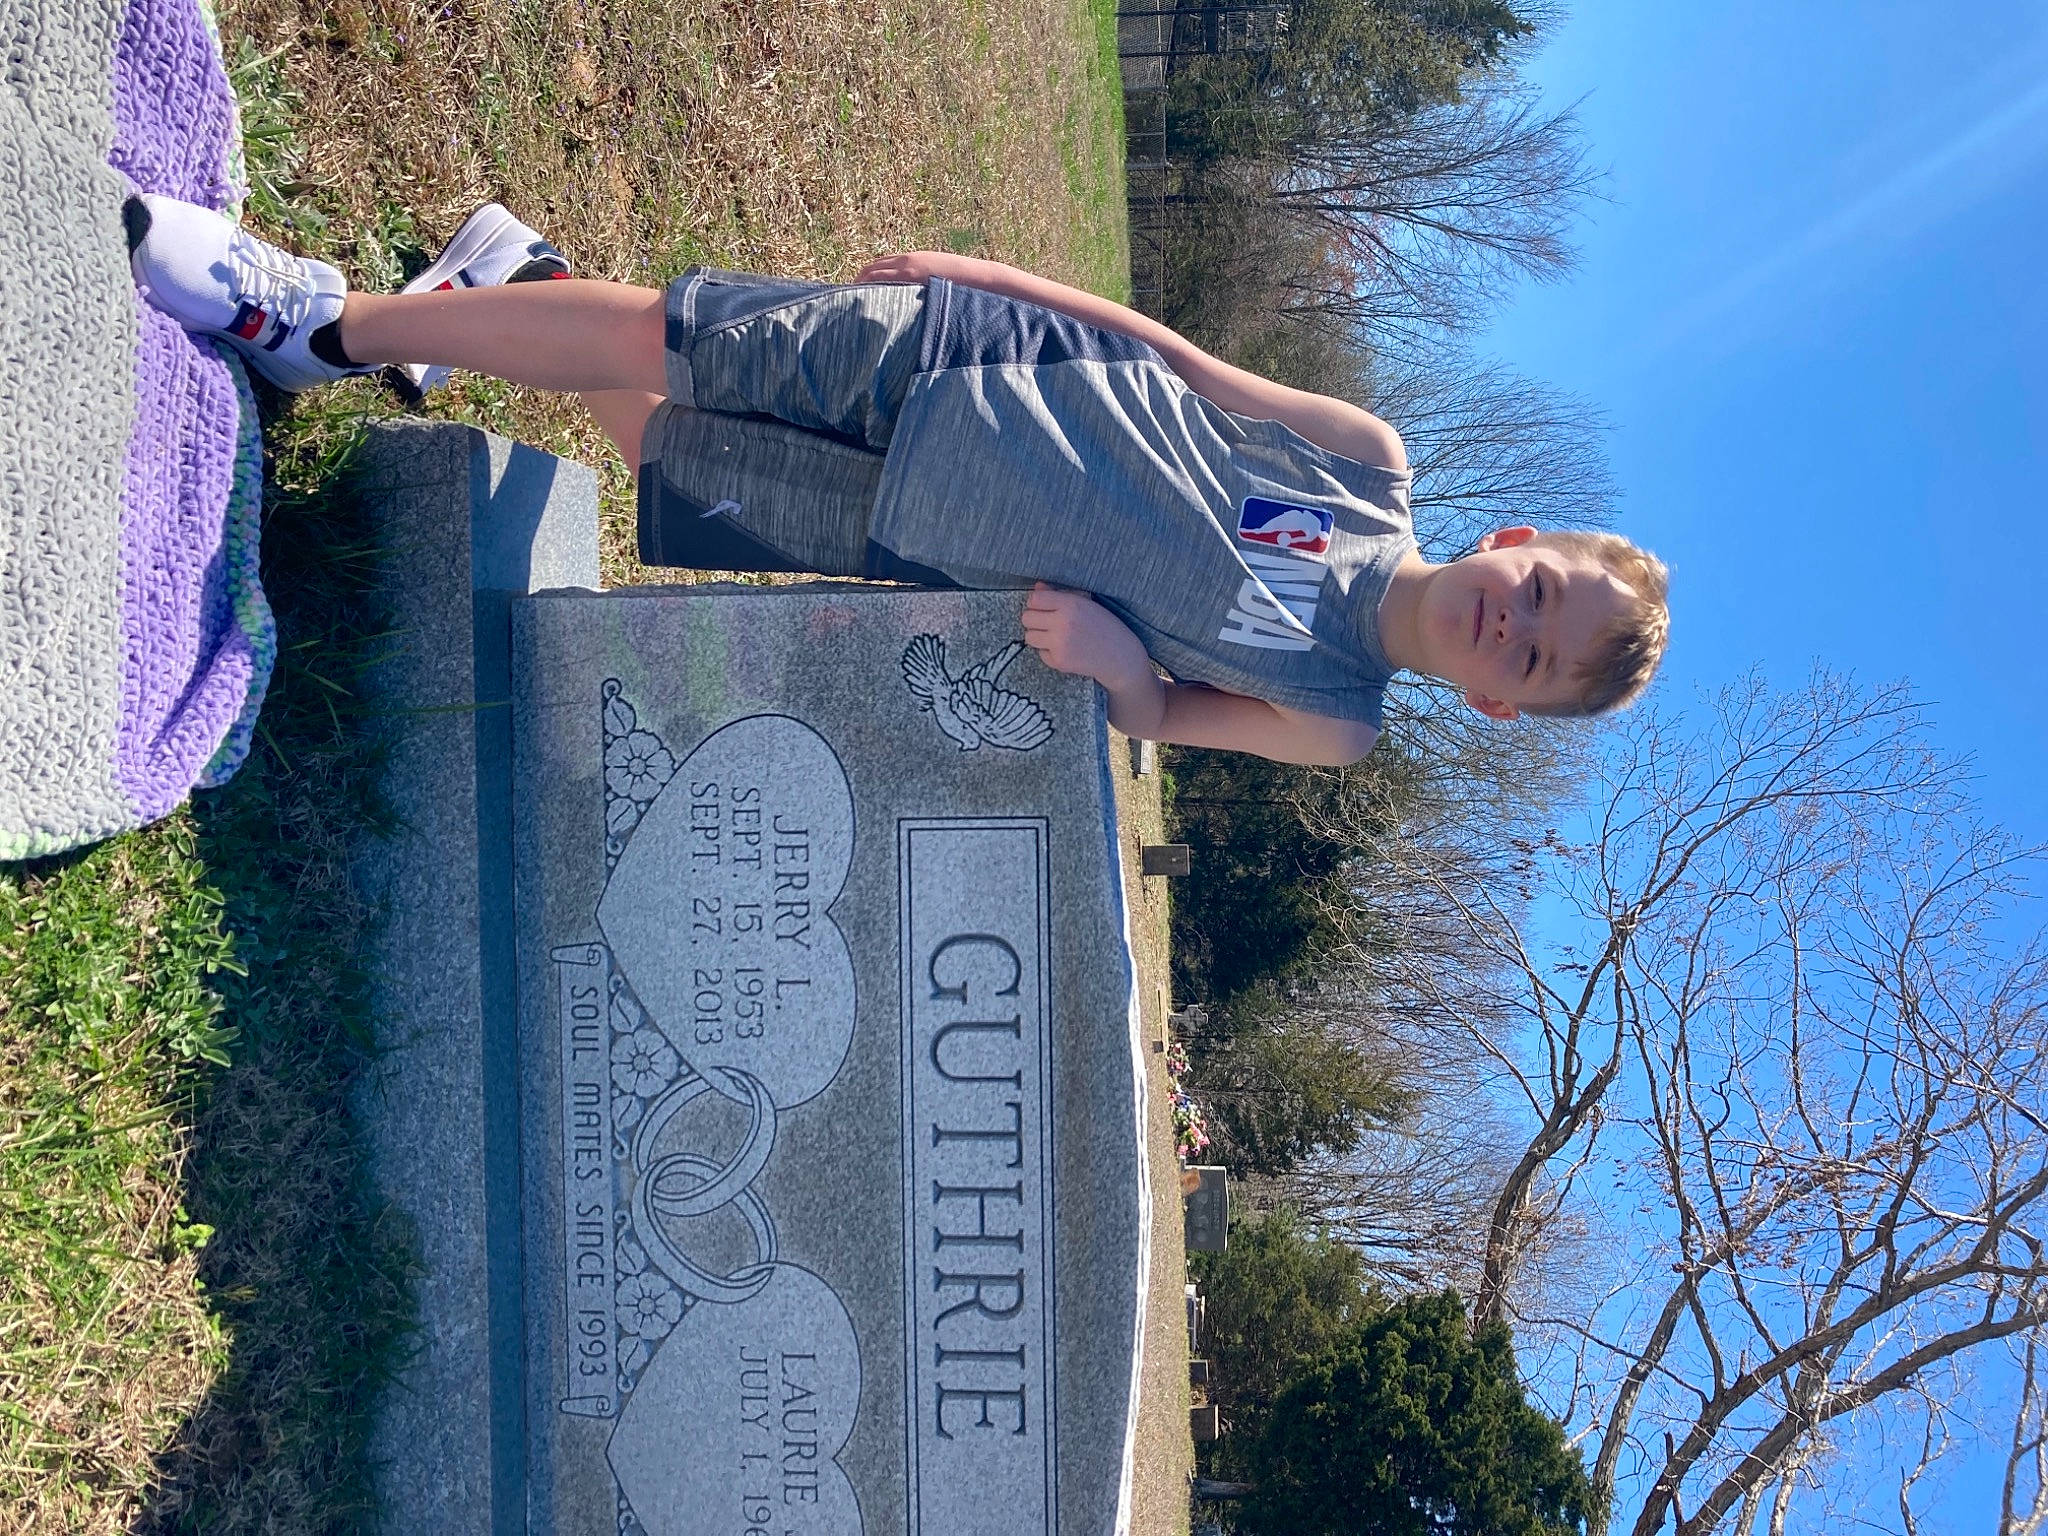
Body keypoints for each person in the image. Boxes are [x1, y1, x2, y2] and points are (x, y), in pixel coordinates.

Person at [124, 194, 1669, 766]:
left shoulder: (1337, 722)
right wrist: (971, 272)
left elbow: (1159, 717)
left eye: (1528, 658)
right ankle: (323, 323)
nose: (1509, 623)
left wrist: (1128, 668)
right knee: (681, 339)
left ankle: (511, 277)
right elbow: (1179, 358)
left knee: (664, 450)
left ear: (1502, 708)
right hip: (969, 366)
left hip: (924, 537)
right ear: (1517, 539)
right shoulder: (1372, 466)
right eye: (1536, 591)